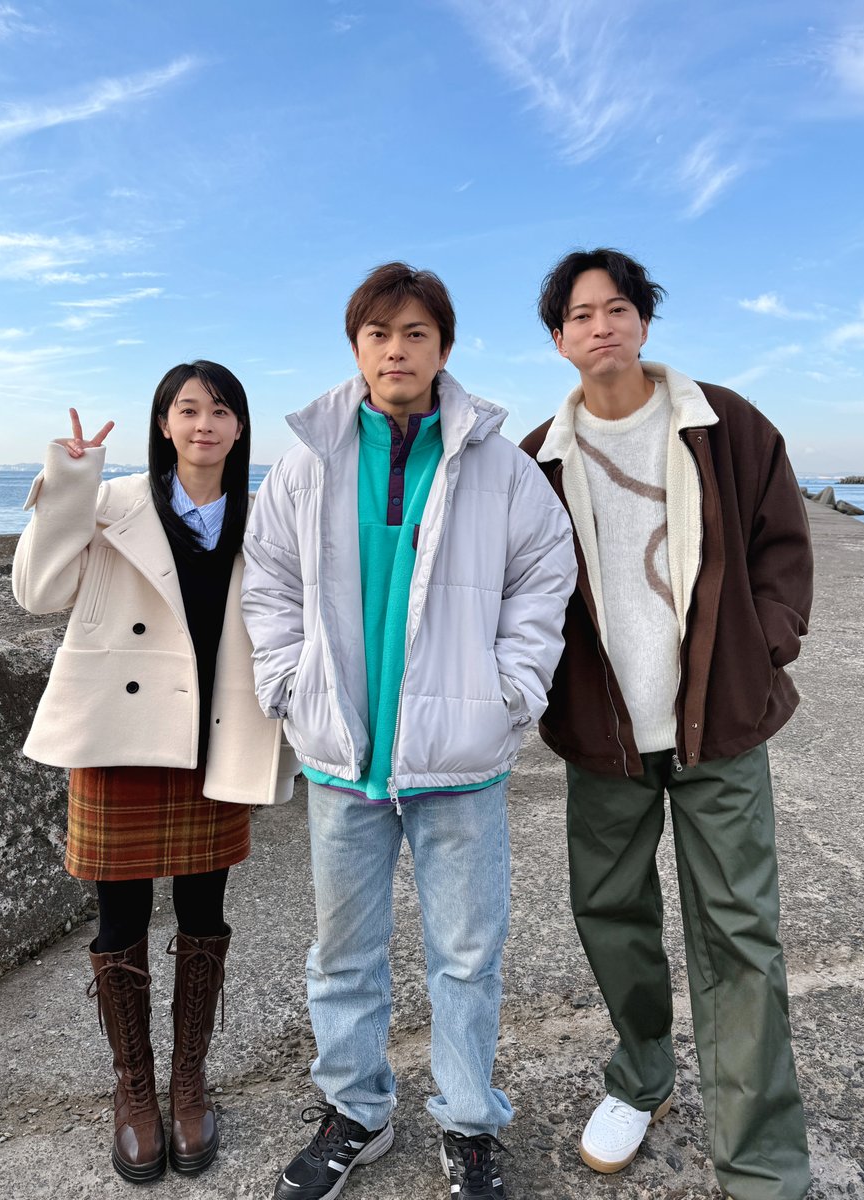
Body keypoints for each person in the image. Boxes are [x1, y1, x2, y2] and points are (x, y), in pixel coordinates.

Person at [241, 262, 576, 1200]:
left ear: (444, 348)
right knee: (341, 955)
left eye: (416, 333)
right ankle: (357, 1110)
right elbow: (267, 581)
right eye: (379, 333)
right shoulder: (306, 461)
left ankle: (469, 1125)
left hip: (460, 760)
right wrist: (287, 683)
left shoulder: (499, 464)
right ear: (356, 347)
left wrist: (512, 691)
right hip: (343, 753)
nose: (397, 349)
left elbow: (543, 576)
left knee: (466, 957)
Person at [519, 248, 813, 1199]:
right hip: (603, 733)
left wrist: (765, 645)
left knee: (741, 934)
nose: (600, 326)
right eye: (580, 315)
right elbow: (515, 586)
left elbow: (782, 546)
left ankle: (761, 1161)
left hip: (718, 727)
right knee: (610, 916)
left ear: (644, 321)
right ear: (558, 339)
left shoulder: (726, 425)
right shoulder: (537, 458)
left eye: (618, 308)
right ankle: (641, 1075)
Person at [13, 362, 297, 1184]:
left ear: (240, 428)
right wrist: (70, 484)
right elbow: (35, 591)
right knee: (120, 915)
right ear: (164, 424)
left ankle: (188, 1082)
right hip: (122, 736)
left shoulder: (264, 515)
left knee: (205, 913)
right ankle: (134, 1088)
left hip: (218, 734)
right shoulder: (111, 503)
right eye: (188, 409)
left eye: (221, 410)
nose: (204, 423)